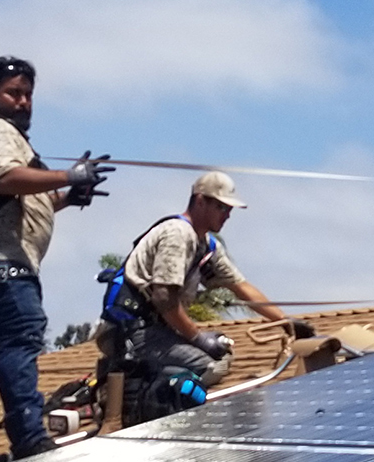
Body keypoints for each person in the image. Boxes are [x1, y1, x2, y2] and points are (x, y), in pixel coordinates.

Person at [0, 55, 113, 462]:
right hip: (0, 264)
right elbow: (6, 180)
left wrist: (68, 196)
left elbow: (21, 201)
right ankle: (30, 438)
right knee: (19, 339)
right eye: (13, 93)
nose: (23, 102)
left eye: (28, 95)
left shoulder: (0, 134)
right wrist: (69, 176)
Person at [104, 171, 289, 425]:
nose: (227, 215)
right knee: (210, 365)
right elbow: (164, 299)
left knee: (219, 356)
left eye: (229, 209)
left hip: (155, 331)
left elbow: (241, 287)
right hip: (130, 332)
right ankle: (150, 407)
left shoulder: (207, 246)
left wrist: (285, 322)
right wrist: (198, 338)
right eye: (221, 207)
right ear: (200, 201)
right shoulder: (178, 234)